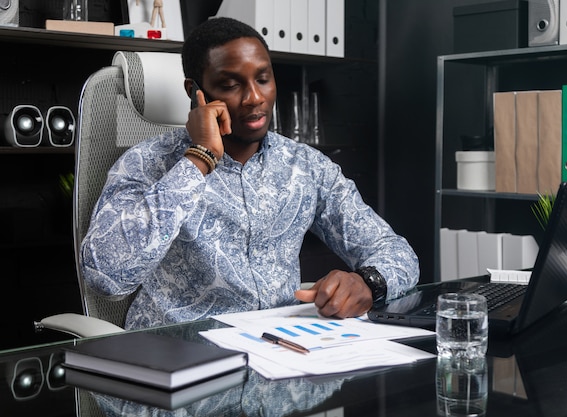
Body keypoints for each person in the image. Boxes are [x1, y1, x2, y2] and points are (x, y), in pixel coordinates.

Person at [80, 17, 420, 330]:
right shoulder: (146, 163)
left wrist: (368, 282)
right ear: (195, 92)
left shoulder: (306, 167)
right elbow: (105, 277)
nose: (254, 97)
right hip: (179, 357)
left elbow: (396, 252)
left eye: (263, 78)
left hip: (279, 354)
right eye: (230, 84)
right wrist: (198, 160)